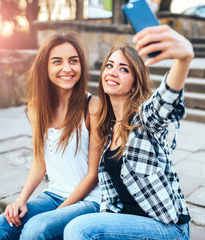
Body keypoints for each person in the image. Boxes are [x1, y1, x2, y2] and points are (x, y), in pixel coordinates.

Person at [64, 24, 194, 240]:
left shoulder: (144, 121)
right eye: (110, 65)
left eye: (123, 69)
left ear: (134, 84)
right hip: (129, 224)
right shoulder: (109, 129)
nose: (112, 72)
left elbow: (165, 100)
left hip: (166, 229)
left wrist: (184, 59)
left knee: (78, 229)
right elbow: (111, 200)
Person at [0, 32, 102, 240]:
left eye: (74, 61)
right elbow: (39, 161)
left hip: (89, 201)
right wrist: (21, 199)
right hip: (53, 195)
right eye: (57, 62)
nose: (67, 68)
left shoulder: (93, 106)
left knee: (36, 229)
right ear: (45, 68)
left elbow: (93, 175)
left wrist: (58, 213)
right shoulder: (36, 108)